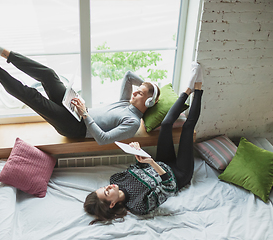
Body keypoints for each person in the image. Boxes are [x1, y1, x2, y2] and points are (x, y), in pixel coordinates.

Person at [0, 33, 160, 145]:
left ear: (148, 102)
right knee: (49, 75)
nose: (135, 92)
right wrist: (149, 86)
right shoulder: (126, 102)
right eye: (138, 89)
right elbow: (128, 75)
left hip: (76, 127)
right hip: (77, 110)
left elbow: (103, 139)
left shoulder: (132, 122)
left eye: (140, 93)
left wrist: (85, 114)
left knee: (33, 96)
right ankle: (3, 52)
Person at [83, 62, 203, 224]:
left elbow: (139, 168)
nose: (108, 187)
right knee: (188, 128)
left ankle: (187, 91)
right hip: (178, 174)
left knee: (166, 125)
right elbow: (168, 187)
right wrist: (151, 162)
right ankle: (198, 88)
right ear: (112, 204)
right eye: (106, 192)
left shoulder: (116, 180)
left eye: (104, 188)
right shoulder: (138, 205)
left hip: (160, 162)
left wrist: (138, 153)